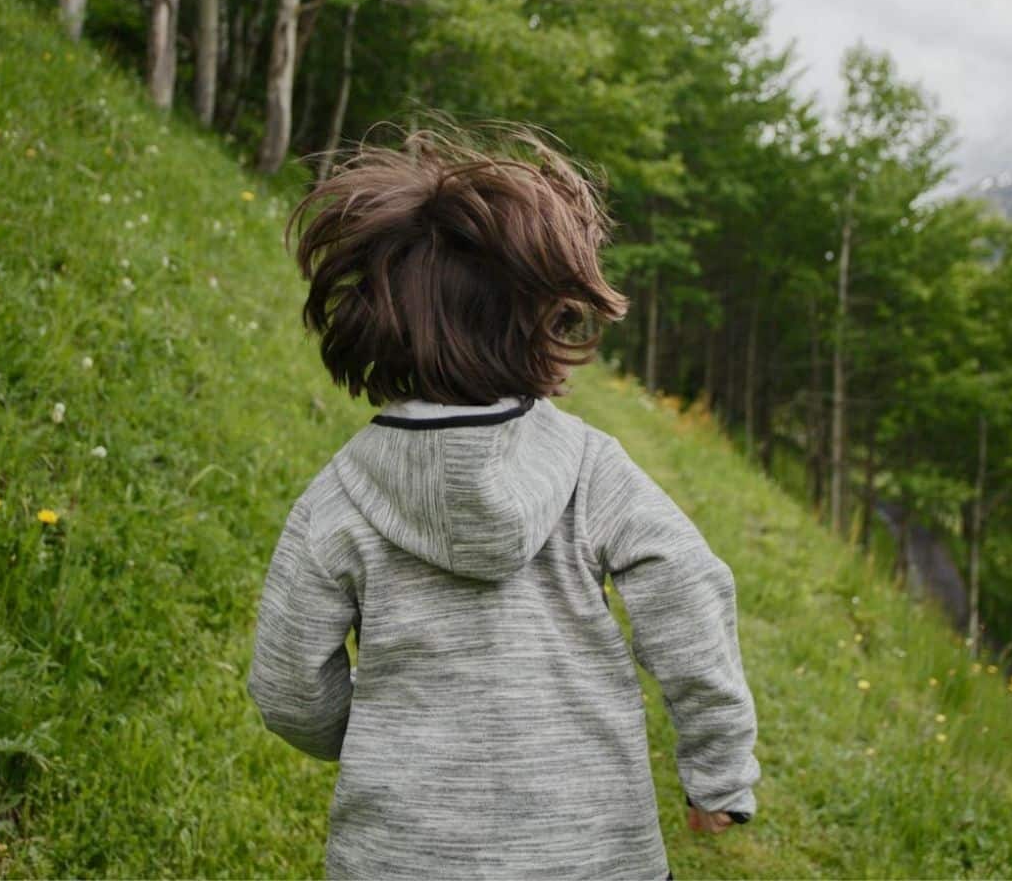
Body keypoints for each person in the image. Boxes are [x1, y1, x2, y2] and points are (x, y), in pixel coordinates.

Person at [247, 126, 760, 879]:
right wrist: (720, 767)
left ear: (375, 321)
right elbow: (687, 589)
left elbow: (288, 684)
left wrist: (366, 736)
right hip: (589, 853)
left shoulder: (340, 497)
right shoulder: (589, 468)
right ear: (543, 322)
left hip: (399, 858)